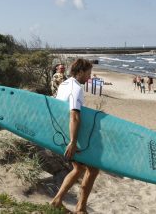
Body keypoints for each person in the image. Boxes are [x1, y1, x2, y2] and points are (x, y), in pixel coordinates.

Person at [50, 58, 99, 214]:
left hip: (61, 131)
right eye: (88, 74)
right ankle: (80, 208)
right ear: (80, 72)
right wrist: (73, 141)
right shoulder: (75, 88)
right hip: (69, 134)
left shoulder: (65, 83)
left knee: (78, 168)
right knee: (93, 169)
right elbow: (74, 115)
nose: (89, 77)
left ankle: (58, 201)